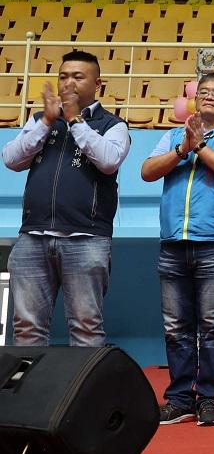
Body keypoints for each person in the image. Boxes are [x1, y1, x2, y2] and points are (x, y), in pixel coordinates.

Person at [141, 72, 214, 427]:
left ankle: (208, 398)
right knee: (175, 327)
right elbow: (147, 171)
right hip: (173, 242)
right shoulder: (174, 136)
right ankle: (179, 399)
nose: (209, 96)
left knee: (213, 327)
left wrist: (201, 147)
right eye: (204, 91)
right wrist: (183, 148)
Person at [2, 50, 131, 347]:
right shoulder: (40, 119)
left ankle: (85, 381)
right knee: (26, 328)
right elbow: (11, 159)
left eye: (78, 76)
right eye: (63, 76)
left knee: (86, 327)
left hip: (87, 238)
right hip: (33, 236)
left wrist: (75, 120)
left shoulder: (113, 125)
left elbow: (109, 161)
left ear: (97, 84)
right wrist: (47, 122)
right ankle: (31, 381)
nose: (68, 82)